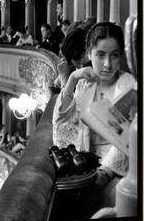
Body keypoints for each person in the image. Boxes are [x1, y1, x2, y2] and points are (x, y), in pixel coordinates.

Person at [53, 22, 136, 211]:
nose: (107, 64)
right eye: (100, 55)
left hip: (118, 171)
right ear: (89, 53)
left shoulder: (127, 84)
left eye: (114, 56)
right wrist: (73, 79)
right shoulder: (84, 83)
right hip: (88, 167)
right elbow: (61, 123)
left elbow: (127, 138)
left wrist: (105, 172)